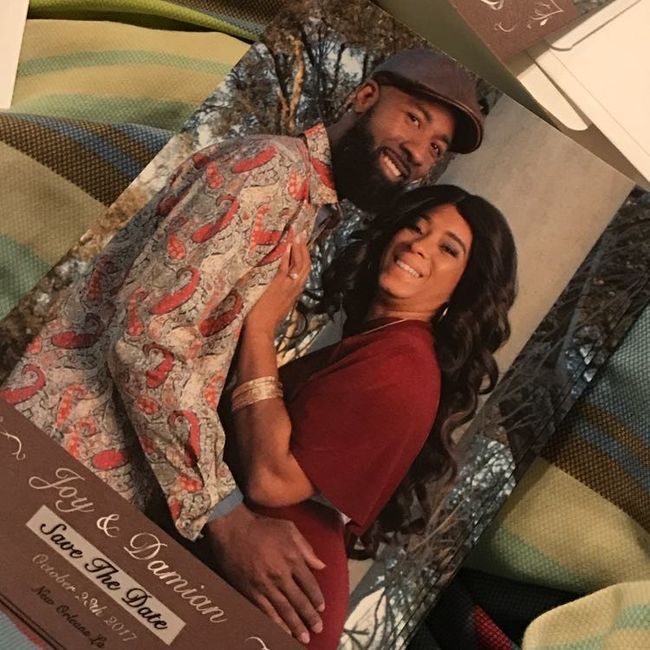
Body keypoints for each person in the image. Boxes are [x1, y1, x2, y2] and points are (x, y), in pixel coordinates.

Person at [0, 49, 484, 641]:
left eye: (436, 147)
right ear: (364, 97)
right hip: (56, 464)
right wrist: (225, 516)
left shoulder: (310, 209)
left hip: (93, 500)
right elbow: (149, 338)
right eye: (413, 119)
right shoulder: (270, 174)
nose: (419, 153)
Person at [223, 184, 518, 647]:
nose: (418, 245)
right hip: (262, 577)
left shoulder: (402, 363)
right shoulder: (382, 343)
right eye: (415, 227)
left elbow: (272, 480)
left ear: (464, 288)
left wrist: (259, 329)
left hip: (275, 598)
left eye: (448, 249)